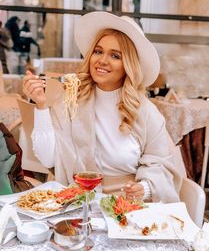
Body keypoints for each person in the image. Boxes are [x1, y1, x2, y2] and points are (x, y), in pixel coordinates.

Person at [22, 11, 182, 203]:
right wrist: (41, 106)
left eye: (115, 55)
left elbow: (161, 166)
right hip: (78, 201)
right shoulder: (71, 98)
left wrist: (145, 188)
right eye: (98, 51)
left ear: (128, 65)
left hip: (126, 207)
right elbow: (48, 159)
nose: (102, 60)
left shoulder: (145, 112)